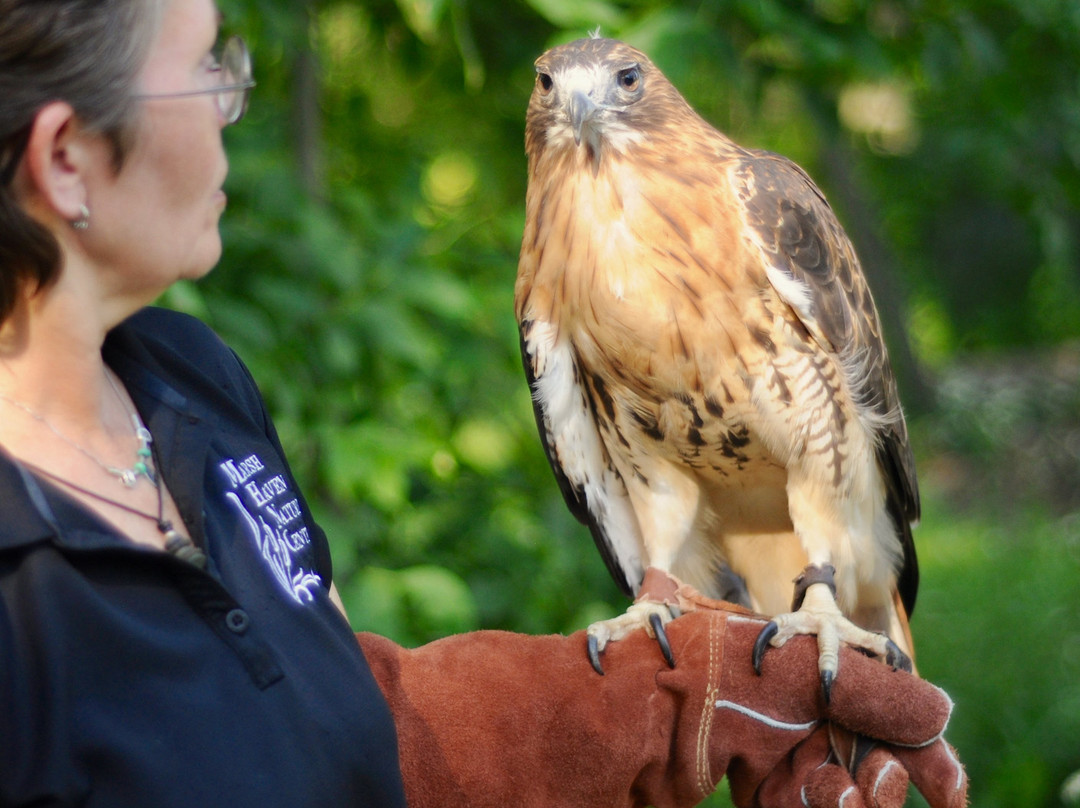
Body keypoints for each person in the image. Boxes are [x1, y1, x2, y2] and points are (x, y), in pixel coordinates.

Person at [0, 0, 968, 806]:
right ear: (65, 159)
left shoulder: (187, 382)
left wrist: (662, 701)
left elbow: (344, 726)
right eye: (208, 70)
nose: (230, 105)